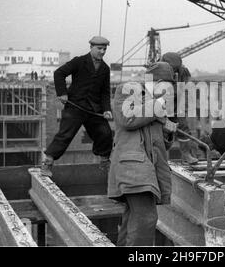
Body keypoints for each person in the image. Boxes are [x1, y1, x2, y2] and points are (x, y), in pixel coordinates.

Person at [108, 62, 178, 246]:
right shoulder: (127, 90)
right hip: (132, 167)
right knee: (146, 218)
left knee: (133, 218)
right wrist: (159, 105)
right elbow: (127, 119)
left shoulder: (154, 105)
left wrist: (167, 131)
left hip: (146, 168)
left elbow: (157, 146)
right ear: (159, 82)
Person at [42, 36, 113, 176]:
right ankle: (47, 164)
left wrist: (106, 109)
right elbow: (59, 73)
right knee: (65, 135)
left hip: (93, 110)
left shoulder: (105, 68)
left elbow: (105, 92)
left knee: (105, 133)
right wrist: (62, 93)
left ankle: (105, 163)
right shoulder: (79, 61)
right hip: (75, 107)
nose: (102, 52)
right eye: (99, 48)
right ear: (91, 47)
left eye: (104, 49)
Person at [161, 52, 198, 164]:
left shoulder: (182, 71)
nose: (174, 72)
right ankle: (159, 158)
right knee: (160, 133)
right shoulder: (156, 72)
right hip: (160, 106)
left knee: (184, 129)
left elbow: (183, 87)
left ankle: (186, 155)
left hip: (177, 106)